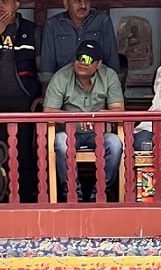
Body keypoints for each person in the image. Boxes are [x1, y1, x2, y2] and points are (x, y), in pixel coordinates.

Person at [0, 0, 40, 200]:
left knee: (25, 152)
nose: (0, 5)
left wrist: (42, 94)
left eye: (6, 1)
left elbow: (41, 67)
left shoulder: (32, 30)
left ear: (17, 4)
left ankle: (26, 198)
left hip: (24, 100)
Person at [44, 40, 124, 202]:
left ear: (98, 64)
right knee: (60, 142)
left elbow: (119, 111)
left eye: (88, 60)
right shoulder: (62, 76)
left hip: (99, 133)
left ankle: (100, 192)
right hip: (69, 132)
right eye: (79, 58)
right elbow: (48, 111)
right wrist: (74, 120)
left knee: (115, 143)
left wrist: (100, 116)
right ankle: (73, 194)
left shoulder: (109, 76)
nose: (82, 63)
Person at [40, 0, 119, 84]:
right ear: (66, 4)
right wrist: (46, 92)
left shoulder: (102, 21)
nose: (83, 6)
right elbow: (48, 63)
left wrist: (115, 87)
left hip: (95, 84)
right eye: (77, 1)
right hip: (63, 84)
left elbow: (111, 58)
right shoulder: (53, 24)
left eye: (87, 1)